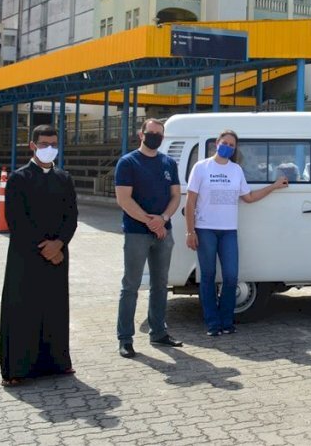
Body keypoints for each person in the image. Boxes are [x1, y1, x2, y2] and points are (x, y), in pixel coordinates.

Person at [185, 130, 288, 336]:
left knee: (231, 277)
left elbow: (248, 198)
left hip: (228, 231)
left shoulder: (236, 170)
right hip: (205, 229)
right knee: (208, 276)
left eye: (232, 145)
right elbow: (190, 202)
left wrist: (274, 186)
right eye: (225, 143)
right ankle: (212, 323)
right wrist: (190, 231)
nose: (228, 147)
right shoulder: (201, 167)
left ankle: (227, 321)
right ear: (217, 143)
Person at [0, 124, 78, 386]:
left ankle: (56, 363)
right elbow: (16, 219)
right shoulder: (19, 178)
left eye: (53, 144)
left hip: (58, 254)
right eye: (44, 144)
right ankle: (17, 369)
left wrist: (59, 244)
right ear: (32, 146)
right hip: (27, 255)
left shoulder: (63, 178)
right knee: (23, 311)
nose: (49, 149)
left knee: (54, 309)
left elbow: (72, 217)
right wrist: (47, 248)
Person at [115, 118, 183, 358]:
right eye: (151, 132)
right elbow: (124, 199)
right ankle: (125, 339)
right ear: (141, 134)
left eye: (159, 133)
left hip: (164, 232)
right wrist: (151, 222)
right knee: (131, 286)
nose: (155, 136)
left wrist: (162, 219)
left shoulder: (168, 163)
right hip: (137, 233)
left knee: (160, 285)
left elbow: (176, 196)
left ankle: (159, 332)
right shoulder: (128, 162)